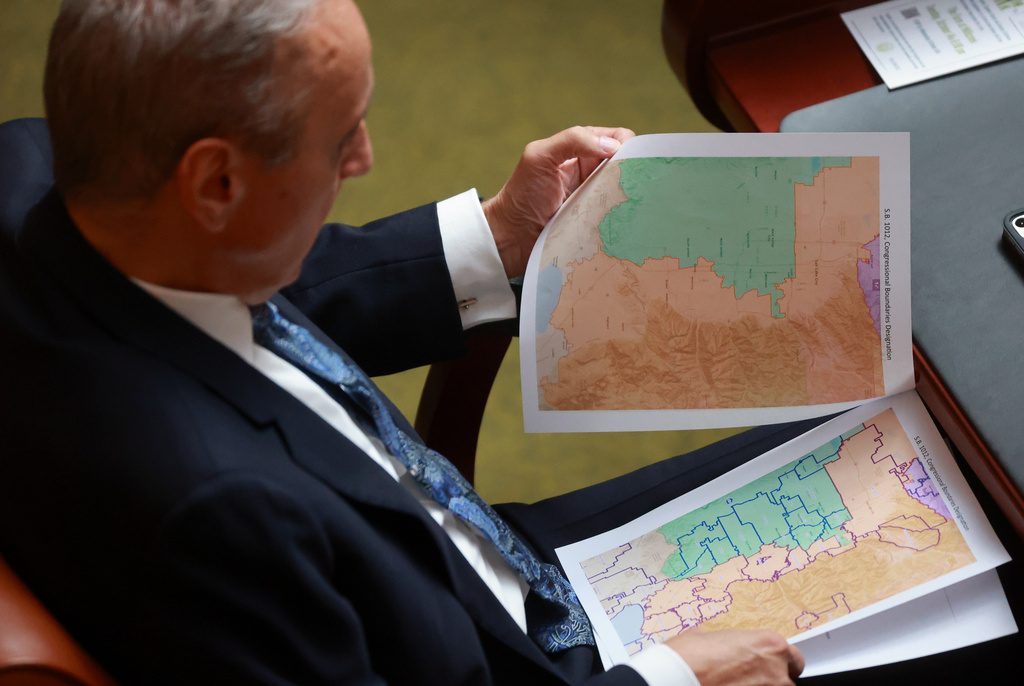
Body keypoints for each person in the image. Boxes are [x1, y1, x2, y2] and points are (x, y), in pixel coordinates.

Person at [0, 1, 808, 684]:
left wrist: (494, 238)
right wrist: (668, 679)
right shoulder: (216, 519)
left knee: (858, 446)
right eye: (342, 135)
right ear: (215, 182)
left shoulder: (40, 180)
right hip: (526, 658)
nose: (366, 158)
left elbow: (252, 267)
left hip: (479, 555)